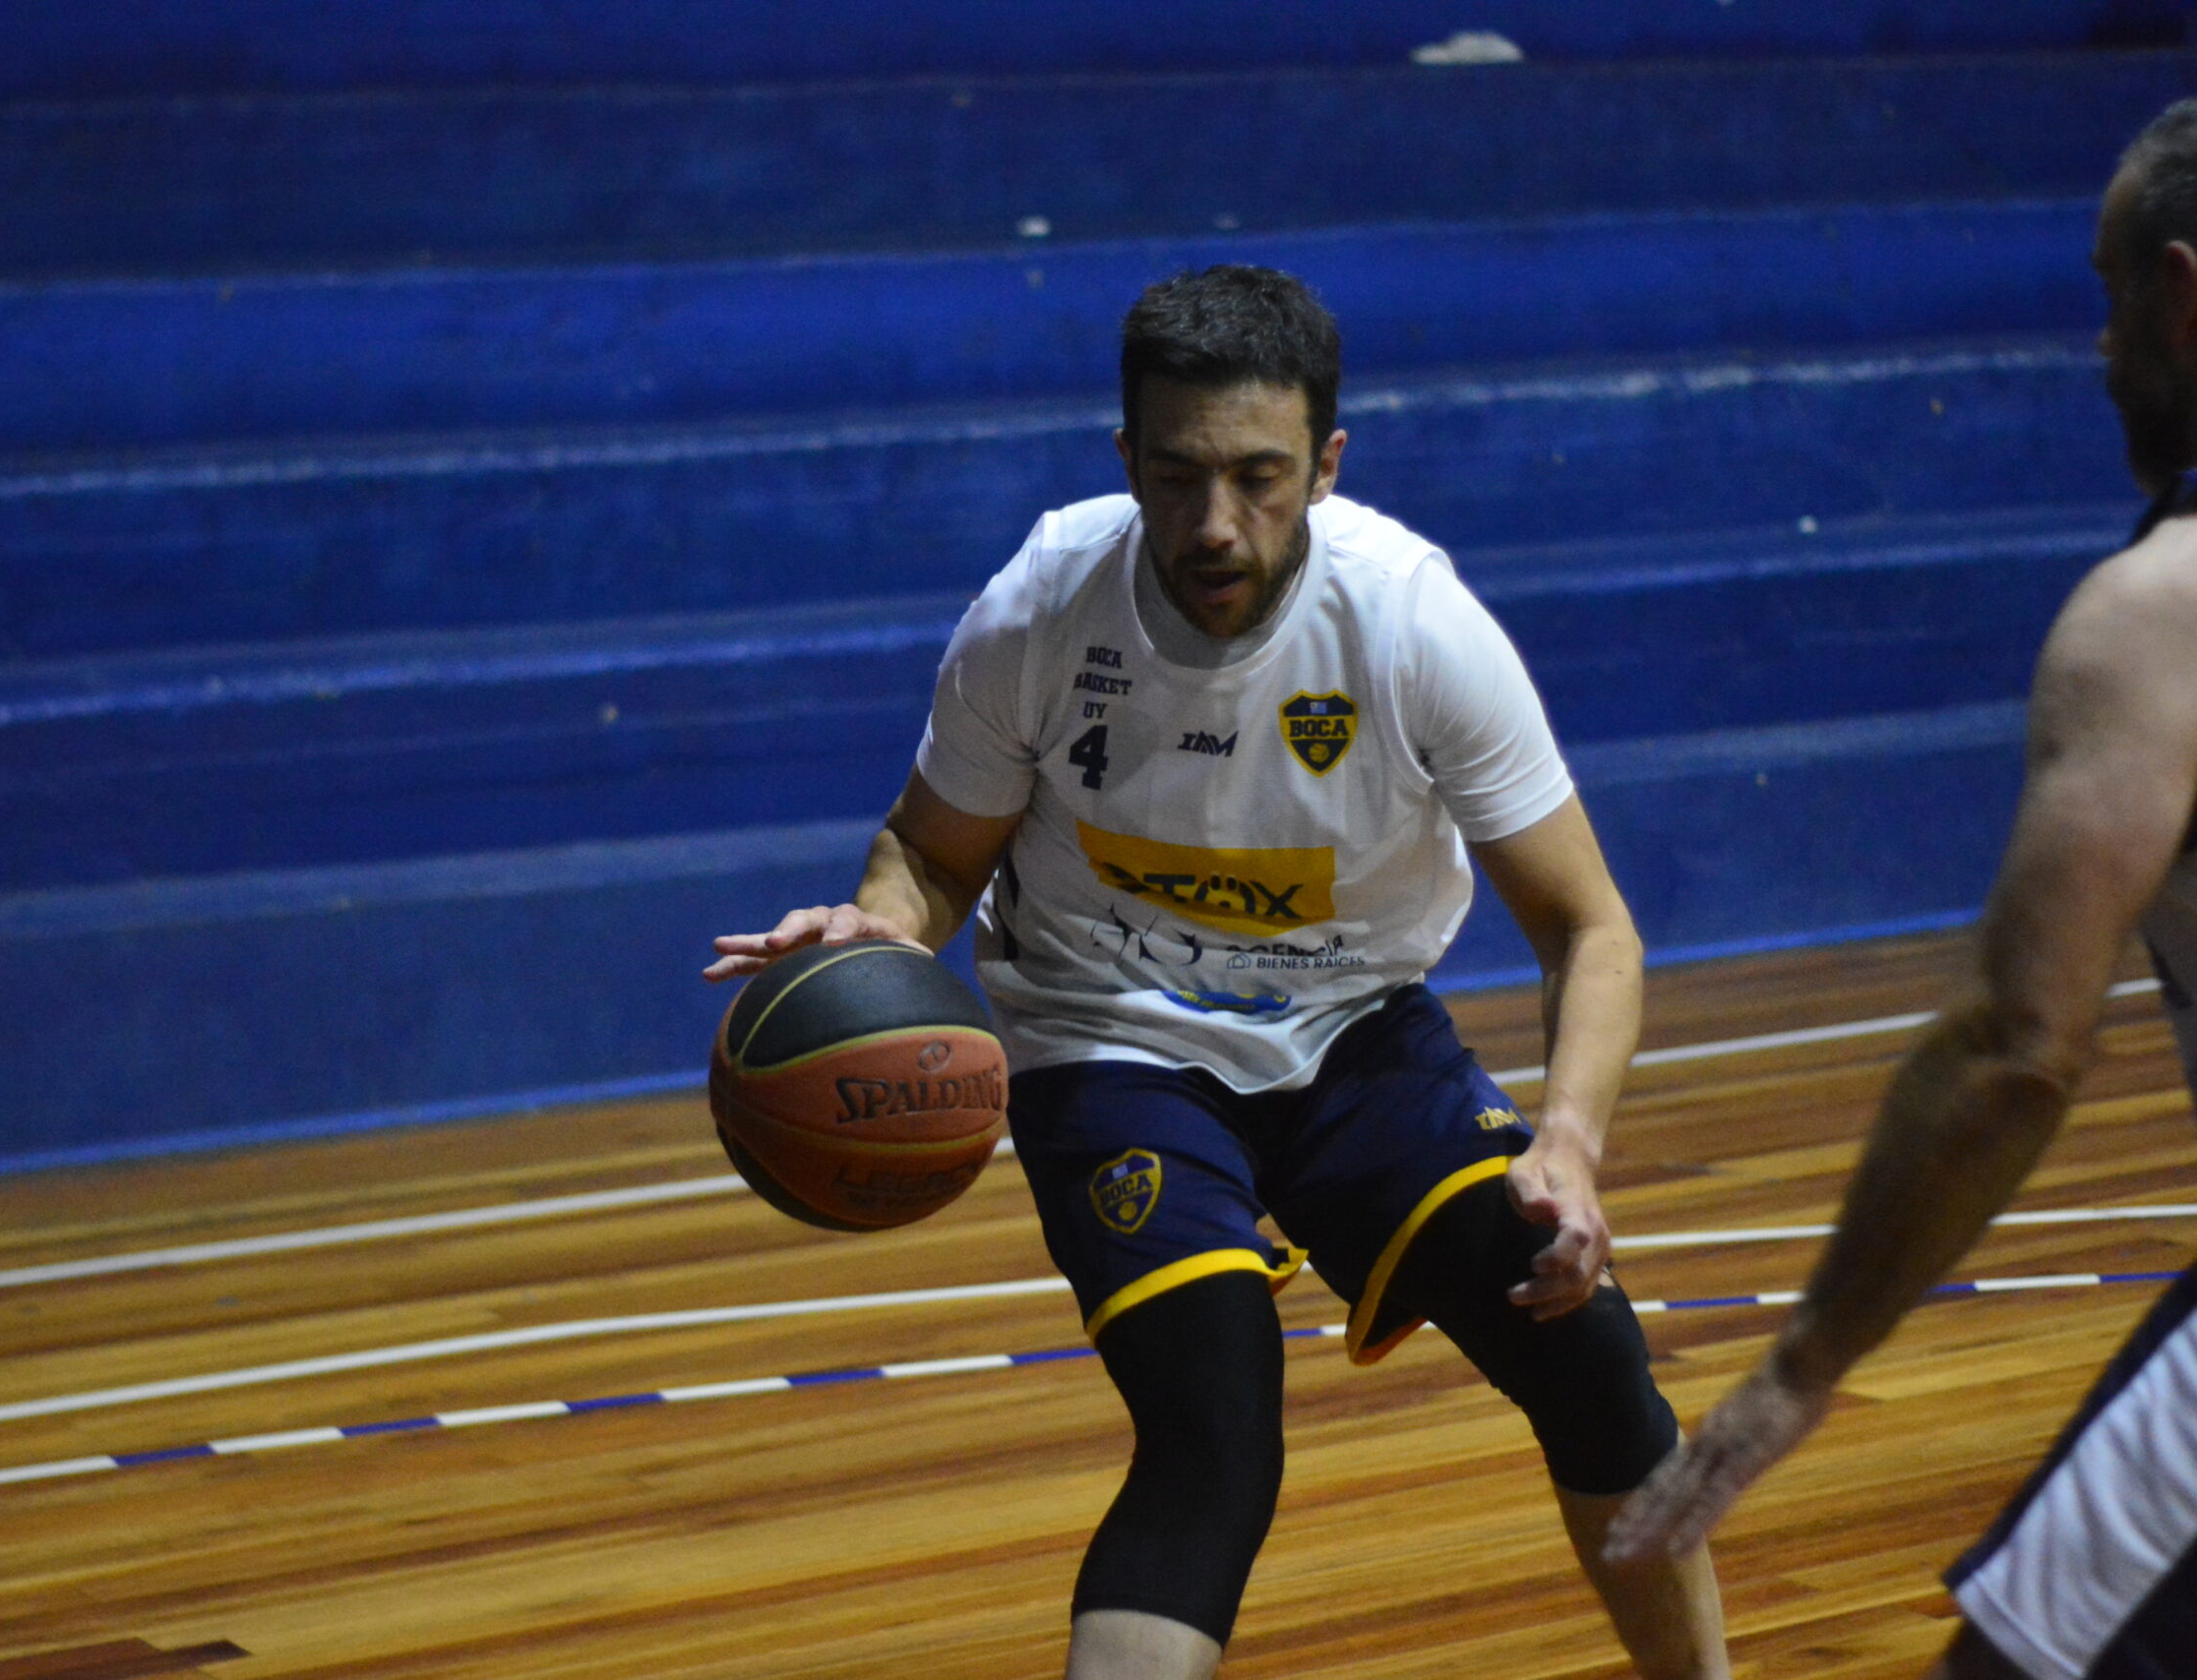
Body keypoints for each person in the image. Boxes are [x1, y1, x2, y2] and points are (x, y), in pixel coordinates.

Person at [708, 265, 1729, 1679]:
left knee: (1592, 1356)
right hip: (1107, 1036)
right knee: (1213, 1428)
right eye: (1178, 475)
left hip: (1352, 1028)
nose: (1215, 524)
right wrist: (876, 930)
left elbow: (1591, 926)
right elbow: (932, 854)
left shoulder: (1413, 625)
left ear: (1327, 463)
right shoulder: (1041, 609)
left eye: (1259, 477)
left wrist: (1569, 1141)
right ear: (1126, 456)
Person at [1604, 91, 2197, 1680]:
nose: (2101, 344)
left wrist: (1802, 1364)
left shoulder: (2176, 604)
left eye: (2109, 293)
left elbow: (2016, 1049)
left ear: (2181, 293)